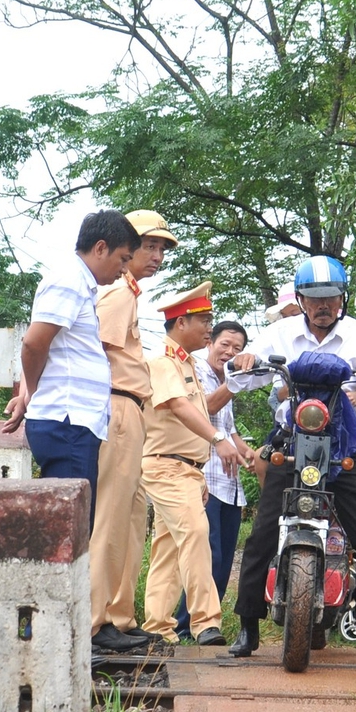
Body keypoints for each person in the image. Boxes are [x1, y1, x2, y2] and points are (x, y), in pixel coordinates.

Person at [226, 256, 356, 656]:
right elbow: (240, 375)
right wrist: (244, 360)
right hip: (291, 440)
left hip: (345, 447)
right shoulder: (280, 332)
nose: (324, 306)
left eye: (332, 298)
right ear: (300, 298)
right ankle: (248, 625)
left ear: (342, 298)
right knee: (260, 537)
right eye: (315, 298)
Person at [2, 210, 139, 537]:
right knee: (68, 533)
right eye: (123, 259)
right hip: (67, 423)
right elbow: (34, 344)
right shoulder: (69, 280)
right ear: (101, 247)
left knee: (72, 528)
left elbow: (49, 350)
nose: (123, 271)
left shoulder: (81, 285)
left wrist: (27, 395)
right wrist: (32, 394)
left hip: (74, 423)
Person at [87, 210, 174, 653]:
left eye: (162, 249)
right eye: (149, 246)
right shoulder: (118, 294)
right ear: (126, 246)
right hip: (117, 405)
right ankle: (95, 618)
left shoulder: (130, 295)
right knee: (110, 516)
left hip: (132, 410)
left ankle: (118, 614)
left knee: (130, 517)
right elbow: (94, 350)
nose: (157, 256)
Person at [140, 282, 245, 645]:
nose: (207, 328)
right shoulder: (162, 363)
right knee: (197, 535)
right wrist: (218, 440)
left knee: (169, 548)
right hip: (166, 465)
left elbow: (201, 418)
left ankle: (157, 626)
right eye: (203, 320)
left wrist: (202, 471)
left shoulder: (186, 366)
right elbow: (179, 408)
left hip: (187, 468)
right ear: (181, 323)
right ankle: (204, 622)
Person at [179, 319, 253, 639]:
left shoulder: (228, 377)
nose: (229, 352)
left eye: (237, 348)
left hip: (230, 484)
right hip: (203, 476)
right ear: (210, 343)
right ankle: (185, 626)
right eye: (224, 344)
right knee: (208, 555)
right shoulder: (195, 369)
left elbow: (230, 429)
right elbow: (205, 409)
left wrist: (248, 453)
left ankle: (209, 626)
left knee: (223, 563)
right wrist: (235, 382)